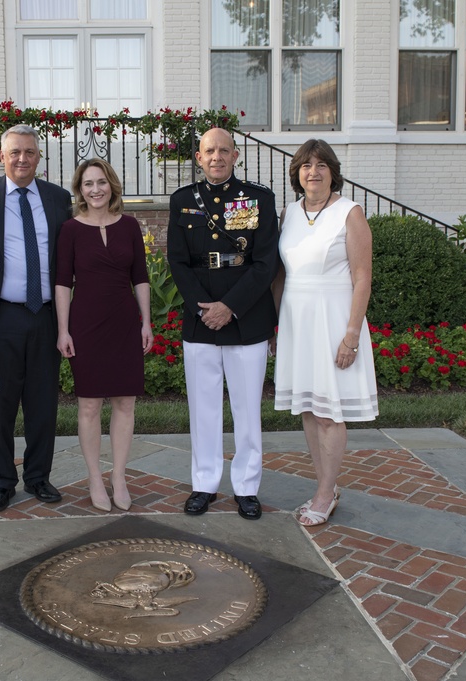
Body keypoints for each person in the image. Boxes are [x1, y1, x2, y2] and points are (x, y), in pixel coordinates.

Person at [167, 127, 280, 520]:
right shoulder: (182, 200)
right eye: (209, 151)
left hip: (246, 315)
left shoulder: (258, 199)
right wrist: (205, 309)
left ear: (236, 156)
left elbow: (266, 263)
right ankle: (205, 484)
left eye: (224, 151)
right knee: (204, 409)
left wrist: (229, 306)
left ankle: (247, 487)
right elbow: (178, 262)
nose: (216, 157)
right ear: (198, 158)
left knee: (248, 409)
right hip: (201, 318)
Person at [272, 138, 379, 527]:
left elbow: (362, 278)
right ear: (297, 174)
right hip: (298, 322)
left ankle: (324, 493)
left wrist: (351, 334)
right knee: (309, 408)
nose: (313, 171)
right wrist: (276, 325)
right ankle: (326, 485)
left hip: (334, 320)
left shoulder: (350, 213)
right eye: (305, 165)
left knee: (330, 413)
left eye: (320, 165)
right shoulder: (290, 213)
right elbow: (281, 274)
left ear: (332, 172)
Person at [0, 124, 74, 511]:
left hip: (47, 316)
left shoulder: (58, 198)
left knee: (43, 403)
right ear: (3, 156)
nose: (22, 159)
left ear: (39, 157)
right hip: (3, 317)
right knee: (1, 405)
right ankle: (2, 481)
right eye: (14, 152)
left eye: (29, 152)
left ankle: (38, 477)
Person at [55, 159, 153, 512]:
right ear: (80, 191)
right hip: (86, 323)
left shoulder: (129, 226)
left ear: (111, 184)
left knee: (125, 402)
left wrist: (146, 322)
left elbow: (140, 277)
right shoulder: (70, 230)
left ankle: (119, 476)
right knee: (90, 404)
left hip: (124, 321)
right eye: (87, 184)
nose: (95, 189)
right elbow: (63, 283)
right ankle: (95, 477)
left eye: (100, 182)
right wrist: (63, 330)